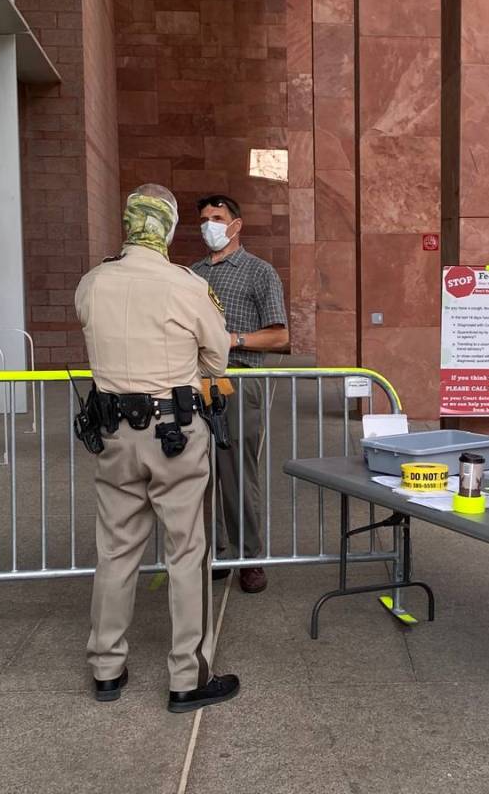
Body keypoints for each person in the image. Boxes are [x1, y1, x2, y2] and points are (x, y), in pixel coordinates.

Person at [74, 183, 239, 713]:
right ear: (168, 229)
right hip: (175, 434)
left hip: (114, 435)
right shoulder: (185, 286)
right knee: (187, 552)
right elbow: (217, 362)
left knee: (115, 549)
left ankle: (106, 668)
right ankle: (186, 678)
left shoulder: (94, 282)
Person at [191, 193, 289, 594]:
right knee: (198, 473)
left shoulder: (258, 272)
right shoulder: (191, 274)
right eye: (203, 219)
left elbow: (280, 335)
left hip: (238, 381)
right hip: (193, 383)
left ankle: (250, 557)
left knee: (235, 473)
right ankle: (215, 551)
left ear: (236, 224)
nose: (208, 225)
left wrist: (232, 339)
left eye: (216, 217)